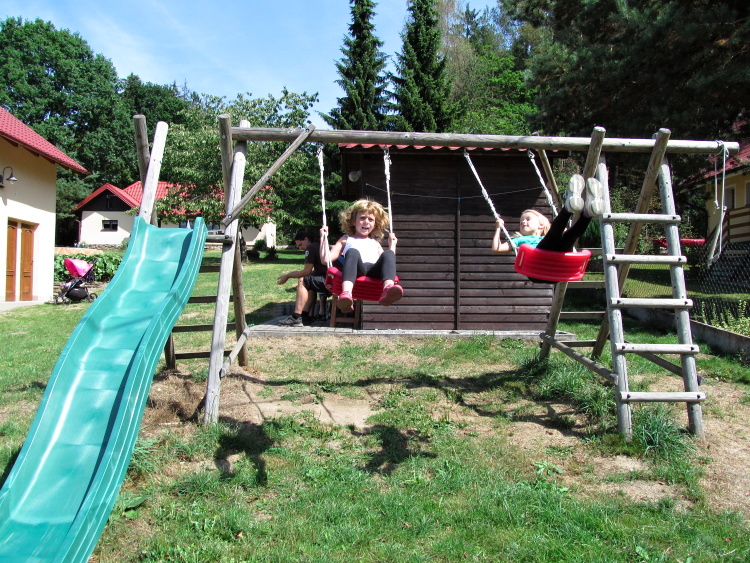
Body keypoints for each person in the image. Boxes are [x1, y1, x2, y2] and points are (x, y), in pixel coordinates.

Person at [492, 174, 604, 274]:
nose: (523, 222)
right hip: (537, 267)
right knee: (554, 236)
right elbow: (497, 249)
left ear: (541, 225)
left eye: (527, 219)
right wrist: (498, 229)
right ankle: (569, 208)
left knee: (569, 236)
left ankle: (588, 212)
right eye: (521, 222)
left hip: (557, 267)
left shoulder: (545, 238)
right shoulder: (519, 240)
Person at [320, 199, 404, 312]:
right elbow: (326, 260)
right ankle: (346, 293)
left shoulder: (375, 243)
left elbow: (387, 263)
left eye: (371, 219)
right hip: (357, 270)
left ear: (375, 224)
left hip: (374, 271)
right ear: (353, 221)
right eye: (362, 218)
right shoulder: (346, 239)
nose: (366, 222)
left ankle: (388, 289)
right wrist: (323, 238)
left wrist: (392, 246)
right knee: (353, 251)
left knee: (388, 253)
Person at [277, 229, 330, 327]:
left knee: (303, 280)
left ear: (306, 239)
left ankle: (296, 316)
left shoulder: (311, 248)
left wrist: (288, 276)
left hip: (332, 282)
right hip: (336, 279)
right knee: (310, 279)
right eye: (298, 246)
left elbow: (306, 271)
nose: (300, 248)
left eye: (300, 244)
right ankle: (305, 316)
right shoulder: (318, 245)